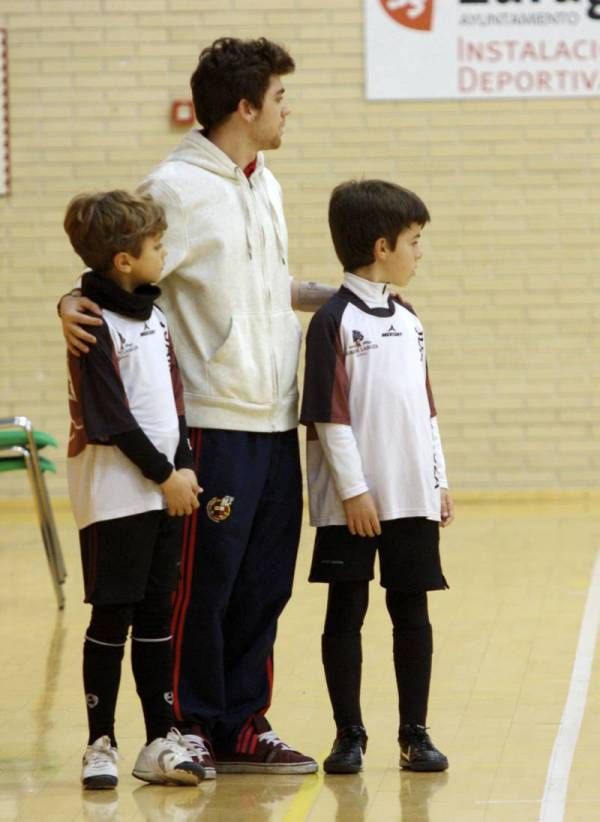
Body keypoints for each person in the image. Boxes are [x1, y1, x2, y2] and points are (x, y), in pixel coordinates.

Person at [58, 38, 334, 776]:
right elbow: (117, 271)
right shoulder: (175, 187)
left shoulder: (263, 183)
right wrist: (70, 299)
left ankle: (245, 721)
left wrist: (344, 297)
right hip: (211, 419)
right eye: (280, 98)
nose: (287, 110)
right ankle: (187, 724)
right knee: (201, 588)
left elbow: (266, 288)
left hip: (275, 414)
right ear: (245, 107)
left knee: (265, 583)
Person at [300, 179, 455, 775]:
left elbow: (426, 409)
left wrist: (437, 480)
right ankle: (349, 734)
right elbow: (327, 419)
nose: (421, 253)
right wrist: (355, 491)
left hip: (412, 497)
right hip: (354, 507)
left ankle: (414, 733)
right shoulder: (332, 321)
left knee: (411, 611)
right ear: (383, 245)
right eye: (415, 242)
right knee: (346, 613)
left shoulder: (410, 320)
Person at [63, 190, 206, 789]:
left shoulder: (156, 313)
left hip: (163, 487)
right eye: (156, 246)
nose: (164, 253)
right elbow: (113, 418)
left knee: (156, 614)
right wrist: (165, 475)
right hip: (116, 494)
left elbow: (170, 403)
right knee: (112, 616)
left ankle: (160, 737)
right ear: (123, 260)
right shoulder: (91, 321)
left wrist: (186, 466)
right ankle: (101, 743)